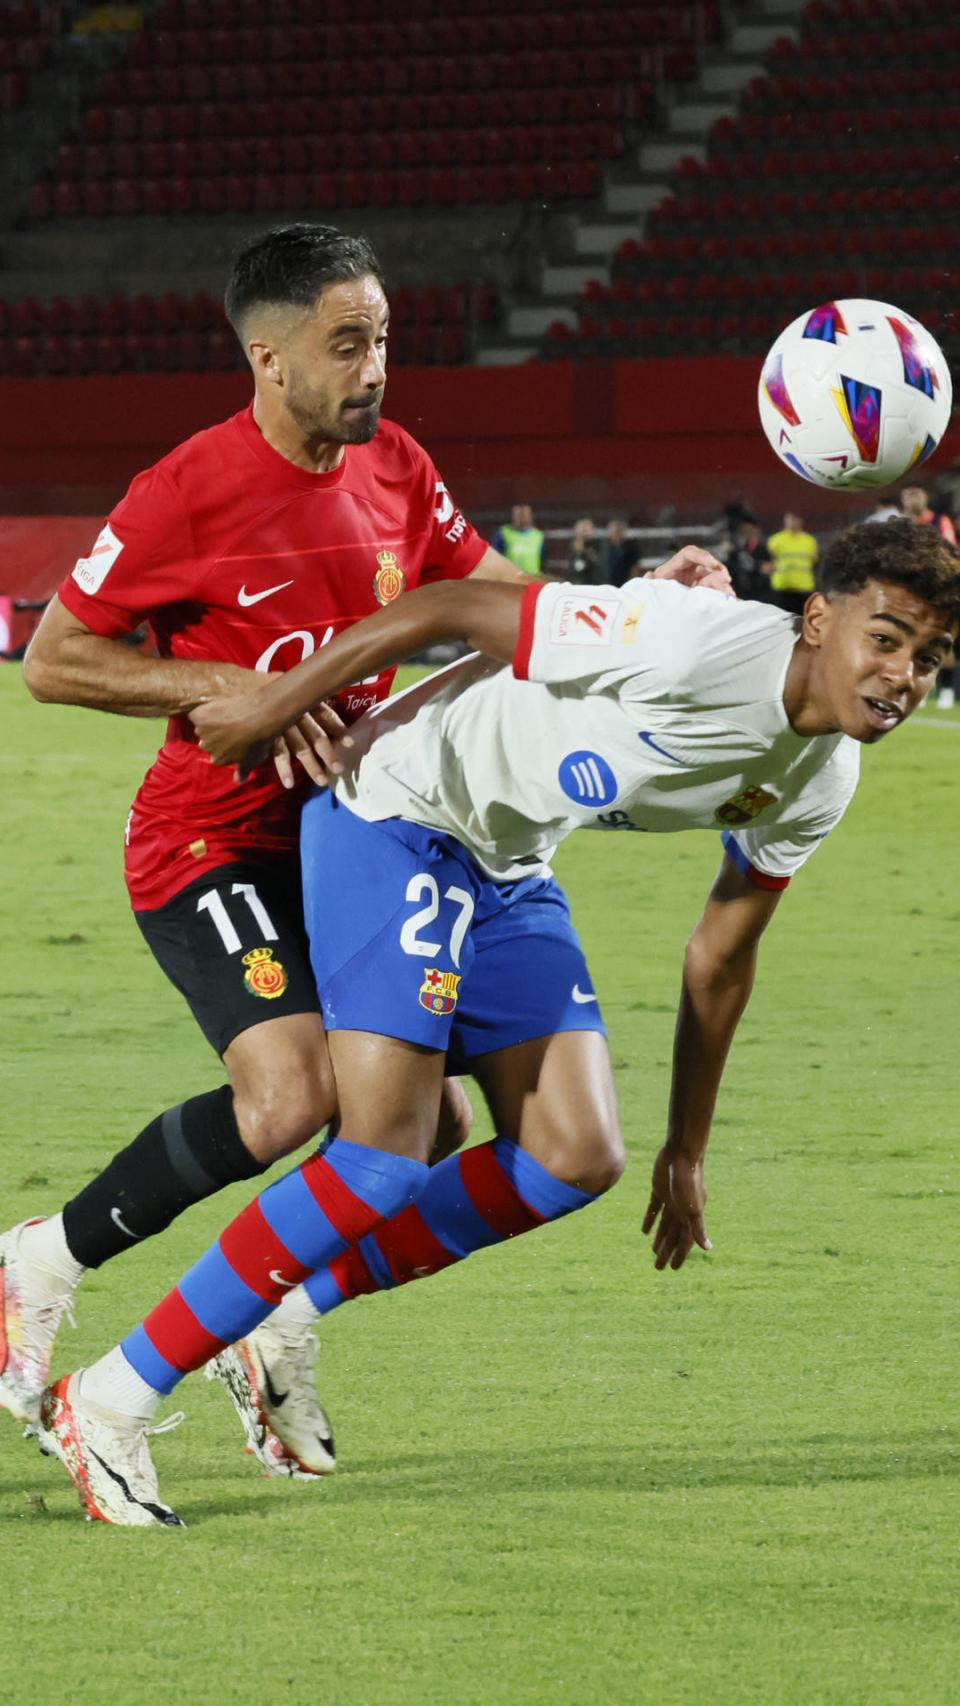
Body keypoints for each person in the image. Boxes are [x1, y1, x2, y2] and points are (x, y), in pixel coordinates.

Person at [35, 518, 960, 1525]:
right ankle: (109, 1397)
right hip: (399, 813)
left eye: (931, 656)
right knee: (383, 1154)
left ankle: (284, 1312)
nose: (904, 674)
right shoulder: (690, 640)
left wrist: (686, 1147)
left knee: (575, 1152)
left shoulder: (820, 778)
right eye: (888, 637)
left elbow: (719, 958)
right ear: (819, 617)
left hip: (510, 865)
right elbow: (442, 607)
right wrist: (275, 704)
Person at [0, 221, 529, 1477]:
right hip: (205, 841)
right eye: (347, 345)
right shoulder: (188, 488)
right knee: (291, 1097)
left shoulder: (397, 463)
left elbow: (497, 593)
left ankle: (275, 1324)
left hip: (350, 847)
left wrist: (651, 615)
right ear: (268, 356)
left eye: (385, 339)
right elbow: (52, 659)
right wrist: (223, 683)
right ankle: (42, 1261)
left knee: (425, 1122)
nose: (375, 369)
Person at [900, 485, 958, 706]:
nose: (912, 501)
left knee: (941, 640)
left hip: (936, 590)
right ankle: (915, 687)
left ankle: (946, 690)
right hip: (908, 590)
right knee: (909, 639)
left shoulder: (940, 522)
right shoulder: (902, 525)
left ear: (924, 500)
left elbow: (951, 553)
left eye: (916, 497)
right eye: (908, 497)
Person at [763, 510, 819, 615]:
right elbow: (767, 562)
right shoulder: (775, 540)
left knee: (802, 619)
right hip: (782, 587)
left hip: (804, 587)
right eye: (789, 519)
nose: (791, 522)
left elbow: (814, 561)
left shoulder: (809, 541)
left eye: (794, 519)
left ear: (800, 521)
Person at [492, 502, 544, 576]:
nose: (522, 516)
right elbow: (495, 558)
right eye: (519, 513)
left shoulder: (538, 536)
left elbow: (544, 560)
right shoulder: (503, 533)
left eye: (525, 513)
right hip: (510, 580)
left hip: (532, 580)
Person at [601, 517, 642, 587]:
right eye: (613, 530)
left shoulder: (631, 547)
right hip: (605, 585)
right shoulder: (604, 547)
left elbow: (635, 569)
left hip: (624, 585)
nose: (616, 533)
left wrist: (631, 586)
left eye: (618, 530)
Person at [566, 516, 604, 584]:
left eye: (586, 528)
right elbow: (575, 569)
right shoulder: (573, 547)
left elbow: (599, 566)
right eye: (581, 528)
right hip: (576, 585)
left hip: (593, 586)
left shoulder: (598, 545)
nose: (583, 531)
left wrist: (583, 552)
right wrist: (578, 553)